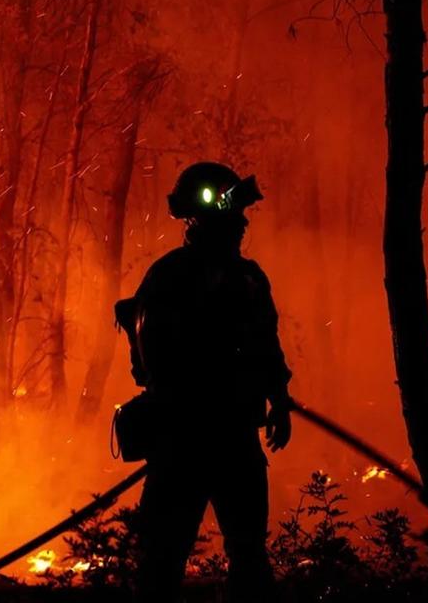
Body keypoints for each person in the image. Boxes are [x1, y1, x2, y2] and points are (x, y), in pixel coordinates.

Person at [118, 162, 292, 602]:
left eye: (240, 218)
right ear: (204, 222)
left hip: (234, 441)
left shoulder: (250, 280)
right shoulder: (170, 278)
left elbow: (267, 346)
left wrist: (280, 401)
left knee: (249, 555)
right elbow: (152, 361)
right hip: (183, 444)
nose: (242, 225)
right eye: (233, 218)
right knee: (162, 561)